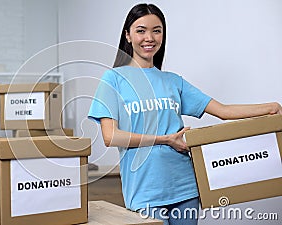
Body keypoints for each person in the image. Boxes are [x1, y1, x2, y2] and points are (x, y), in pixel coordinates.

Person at [88, 3, 282, 225]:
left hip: (185, 187)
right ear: (128, 36)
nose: (149, 37)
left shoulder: (173, 81)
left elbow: (223, 111)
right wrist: (164, 139)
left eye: (156, 30)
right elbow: (111, 136)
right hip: (145, 190)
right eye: (141, 30)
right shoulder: (113, 80)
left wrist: (270, 107)